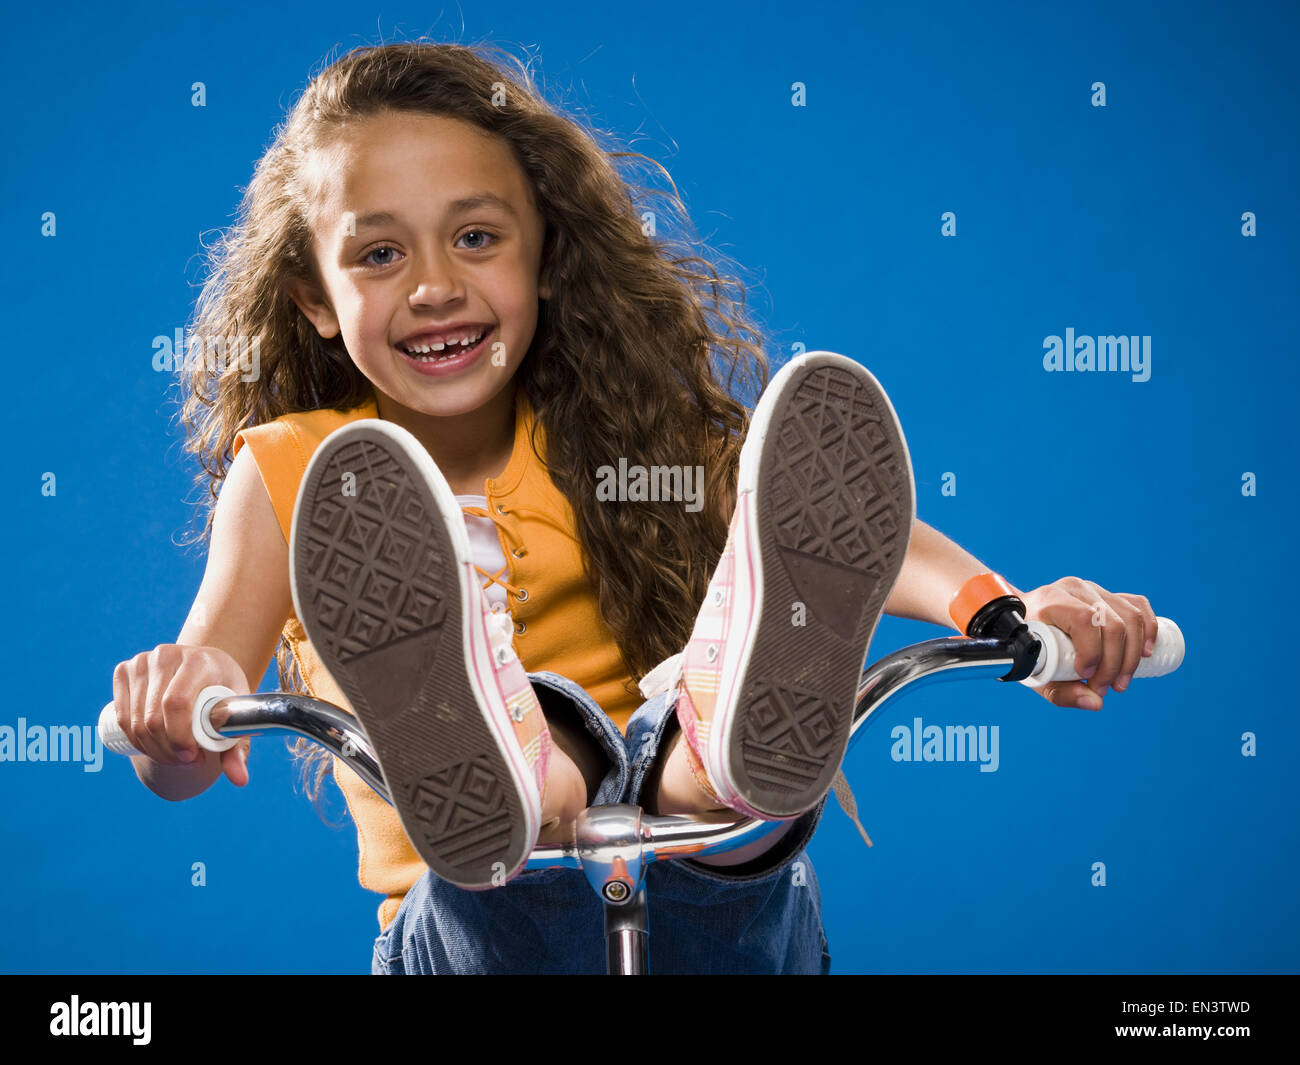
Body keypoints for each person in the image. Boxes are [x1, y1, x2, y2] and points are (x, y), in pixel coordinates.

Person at [109, 40, 1162, 975]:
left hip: (696, 885)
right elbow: (197, 711)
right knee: (511, 855)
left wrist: (1003, 611)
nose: (432, 286)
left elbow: (848, 541)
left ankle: (717, 760)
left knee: (716, 830)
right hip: (473, 923)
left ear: (546, 257)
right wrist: (175, 715)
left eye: (475, 238)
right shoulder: (302, 471)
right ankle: (514, 760)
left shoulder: (621, 442)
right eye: (379, 255)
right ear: (311, 299)